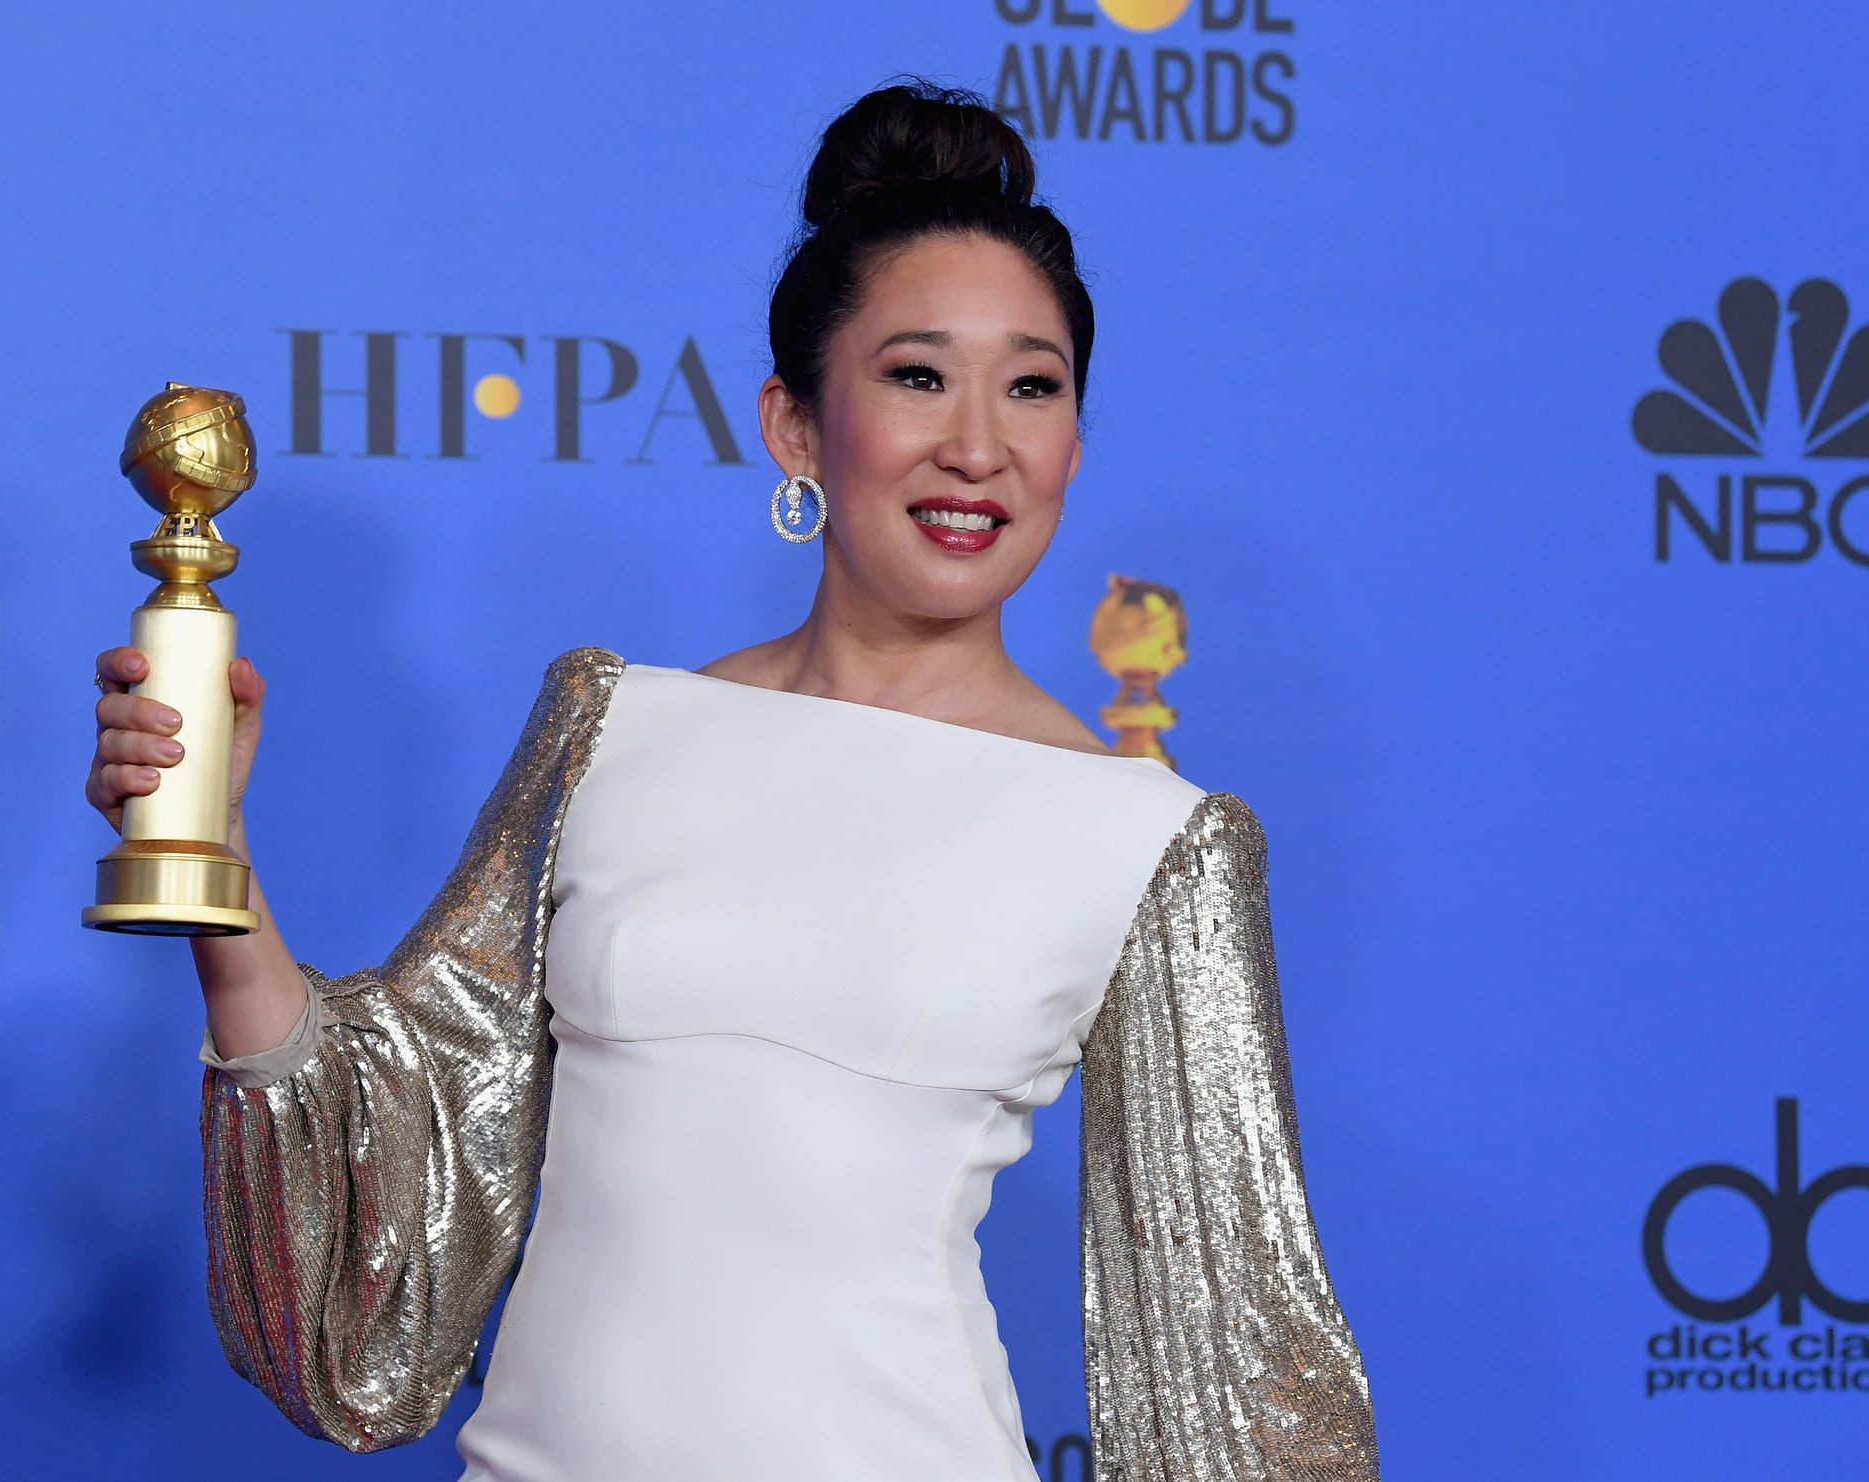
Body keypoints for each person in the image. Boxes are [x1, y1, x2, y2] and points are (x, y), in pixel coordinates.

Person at [86, 82, 1380, 1482]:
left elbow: (1238, 1352)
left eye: (1034, 384)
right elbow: (406, 1169)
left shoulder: (1150, 839)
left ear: (1073, 440)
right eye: (917, 373)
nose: (979, 443)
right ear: (796, 426)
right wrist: (215, 881)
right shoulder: (613, 727)